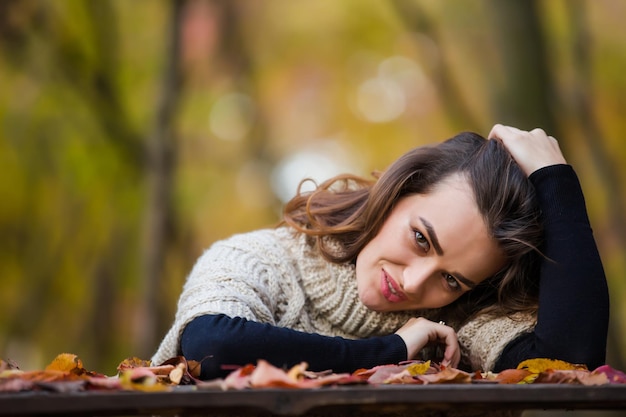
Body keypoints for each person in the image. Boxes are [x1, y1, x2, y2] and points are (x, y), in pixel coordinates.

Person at [151, 124, 609, 381]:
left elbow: (567, 365)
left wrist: (556, 182)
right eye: (421, 239)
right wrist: (390, 350)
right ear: (396, 193)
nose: (413, 284)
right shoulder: (264, 261)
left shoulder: (463, 325)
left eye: (451, 278)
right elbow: (209, 344)